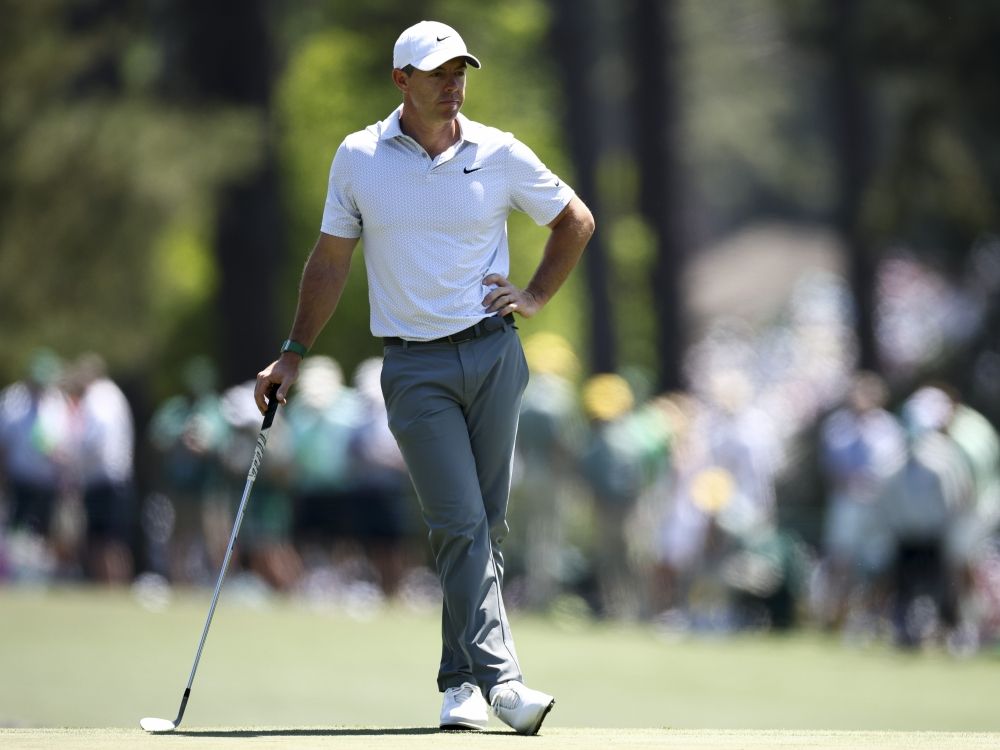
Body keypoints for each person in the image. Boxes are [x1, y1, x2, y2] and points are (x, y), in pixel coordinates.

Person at [254, 20, 594, 734]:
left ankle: (458, 686)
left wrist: (532, 298)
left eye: (460, 71)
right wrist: (293, 351)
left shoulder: (497, 152)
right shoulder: (359, 157)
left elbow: (576, 221)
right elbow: (330, 262)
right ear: (401, 81)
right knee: (459, 520)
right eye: (438, 73)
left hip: (495, 353)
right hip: (415, 366)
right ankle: (503, 683)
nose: (454, 85)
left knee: (482, 525)